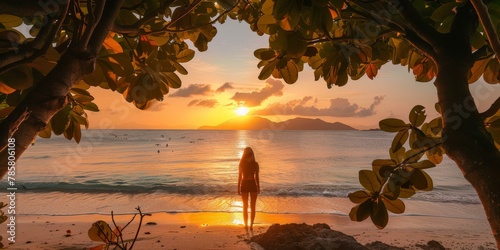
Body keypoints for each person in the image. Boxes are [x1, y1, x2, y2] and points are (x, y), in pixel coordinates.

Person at [238, 147, 260, 230]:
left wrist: (238, 187)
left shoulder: (241, 164)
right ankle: (250, 225)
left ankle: (247, 225)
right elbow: (257, 177)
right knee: (252, 206)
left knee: (245, 206)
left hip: (245, 183)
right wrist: (258, 186)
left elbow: (240, 177)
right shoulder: (255, 164)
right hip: (252, 183)